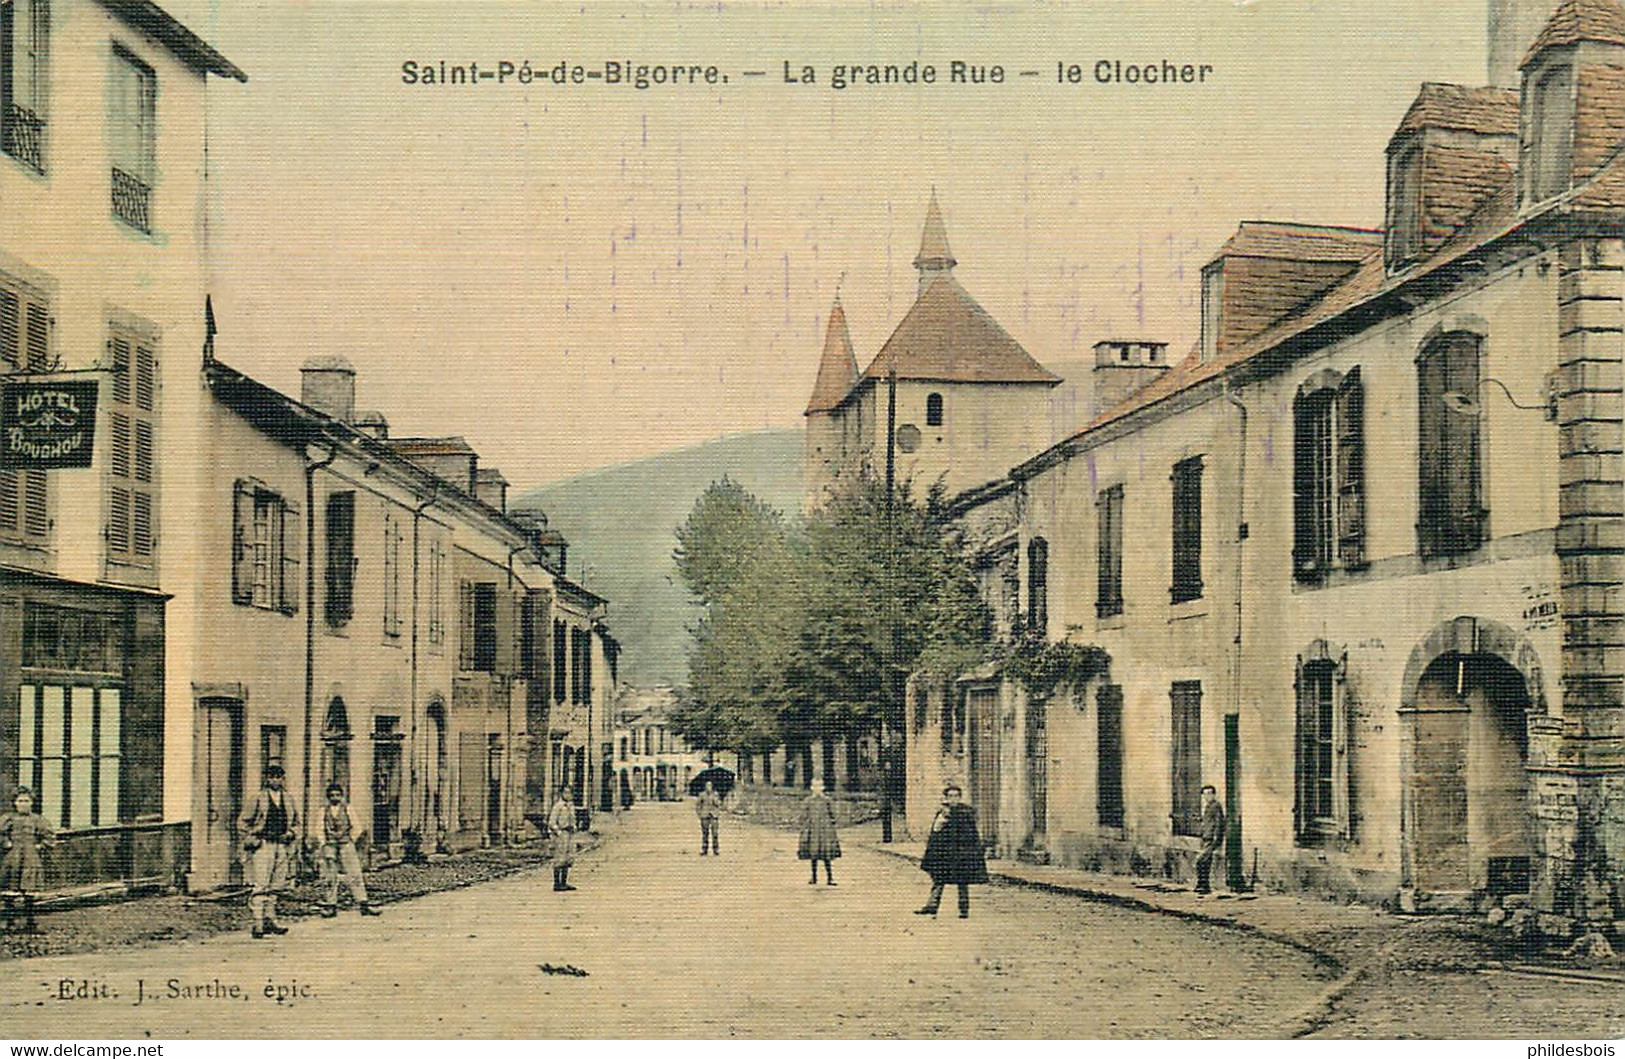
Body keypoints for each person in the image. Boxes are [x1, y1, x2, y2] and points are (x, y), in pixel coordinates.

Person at [238, 764, 299, 939]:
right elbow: (242, 822)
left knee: (277, 883)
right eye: (271, 776)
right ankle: (257, 922)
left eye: (278, 777)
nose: (275, 780)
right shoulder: (257, 798)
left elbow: (296, 823)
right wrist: (252, 836)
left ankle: (270, 919)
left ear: (282, 779)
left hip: (281, 845)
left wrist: (291, 833)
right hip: (263, 844)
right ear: (266, 778)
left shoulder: (288, 799)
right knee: (261, 884)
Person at [916, 784, 987, 919]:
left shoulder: (966, 812)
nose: (953, 799)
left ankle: (963, 909)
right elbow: (935, 832)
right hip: (946, 852)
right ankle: (932, 906)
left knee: (962, 882)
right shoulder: (942, 812)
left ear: (960, 797)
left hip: (961, 852)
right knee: (939, 879)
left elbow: (971, 834)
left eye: (956, 796)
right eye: (950, 796)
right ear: (946, 798)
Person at [319, 783, 381, 918]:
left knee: (354, 873)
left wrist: (350, 839)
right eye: (332, 796)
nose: (335, 798)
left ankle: (363, 904)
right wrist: (324, 843)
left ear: (342, 796)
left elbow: (357, 827)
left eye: (337, 795)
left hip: (346, 844)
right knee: (330, 876)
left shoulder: (348, 809)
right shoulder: (323, 811)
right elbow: (318, 830)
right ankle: (331, 905)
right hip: (330, 845)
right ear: (328, 797)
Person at [0, 787, 54, 934]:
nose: (23, 804)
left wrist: (40, 846)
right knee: (10, 890)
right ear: (15, 803)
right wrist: (6, 843)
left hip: (30, 857)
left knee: (29, 890)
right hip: (12, 857)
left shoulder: (38, 819)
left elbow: (49, 837)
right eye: (20, 801)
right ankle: (10, 922)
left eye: (26, 801)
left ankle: (30, 922)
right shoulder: (7, 819)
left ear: (32, 803)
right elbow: (1, 833)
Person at [798, 787, 841, 886]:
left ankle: (830, 878)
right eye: (815, 789)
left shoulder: (827, 800)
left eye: (819, 789)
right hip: (812, 829)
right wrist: (804, 825)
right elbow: (803, 815)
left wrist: (831, 823)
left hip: (825, 830)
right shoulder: (808, 801)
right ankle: (814, 877)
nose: (817, 791)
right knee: (813, 853)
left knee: (826, 854)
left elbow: (833, 815)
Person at [1194, 783, 1227, 895]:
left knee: (1199, 861)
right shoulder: (1208, 806)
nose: (1207, 796)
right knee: (1205, 862)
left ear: (1214, 794)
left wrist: (1216, 837)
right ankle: (1203, 886)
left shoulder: (1216, 806)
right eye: (1205, 794)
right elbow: (1208, 821)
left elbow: (1219, 823)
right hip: (1205, 837)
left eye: (1209, 794)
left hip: (1211, 838)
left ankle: (1202, 884)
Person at [547, 787, 578, 892]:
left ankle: (564, 882)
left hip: (569, 834)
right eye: (566, 793)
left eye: (570, 793)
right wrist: (558, 832)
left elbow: (573, 819)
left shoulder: (570, 806)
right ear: (562, 794)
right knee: (559, 858)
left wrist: (574, 827)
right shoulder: (558, 806)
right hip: (561, 834)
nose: (568, 795)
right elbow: (552, 822)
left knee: (568, 858)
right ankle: (557, 883)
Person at [695, 781, 723, 856]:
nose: (709, 787)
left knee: (715, 833)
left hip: (714, 816)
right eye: (707, 785)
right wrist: (700, 814)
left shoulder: (715, 794)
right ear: (705, 787)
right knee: (705, 834)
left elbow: (719, 804)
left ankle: (716, 850)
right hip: (705, 816)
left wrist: (715, 800)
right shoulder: (702, 795)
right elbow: (698, 805)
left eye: (710, 785)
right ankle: (704, 850)